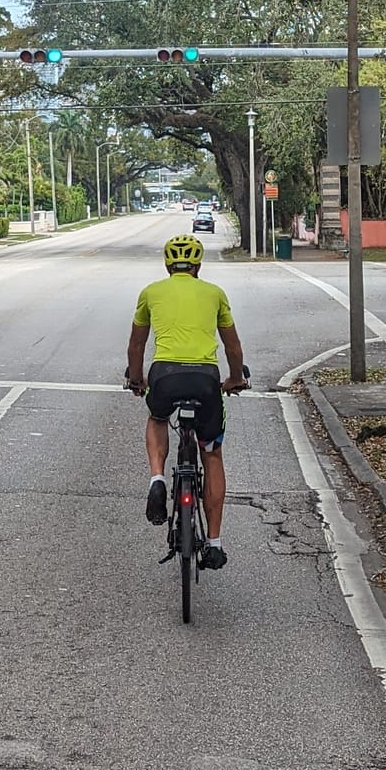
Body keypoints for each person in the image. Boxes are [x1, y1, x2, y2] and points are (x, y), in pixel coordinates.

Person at [124, 233, 248, 569]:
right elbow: (233, 347)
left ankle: (157, 479)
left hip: (164, 376)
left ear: (167, 264)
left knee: (158, 418)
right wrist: (236, 378)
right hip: (206, 380)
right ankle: (216, 543)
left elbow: (136, 346)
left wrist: (136, 379)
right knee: (212, 454)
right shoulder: (214, 293)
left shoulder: (151, 292)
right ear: (198, 265)